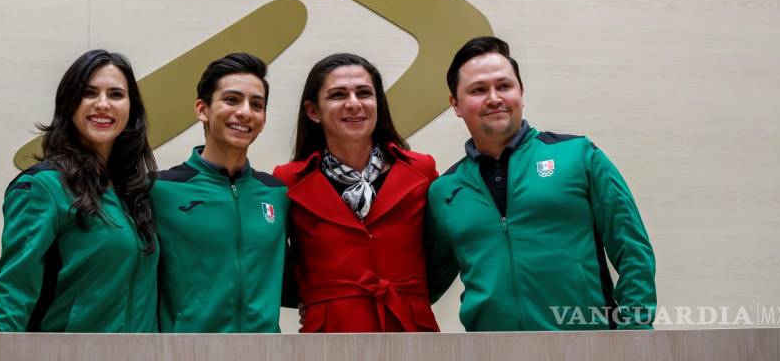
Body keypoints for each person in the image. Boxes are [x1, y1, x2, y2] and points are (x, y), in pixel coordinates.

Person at [427, 36, 656, 331]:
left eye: (504, 86)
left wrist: (635, 332)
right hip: (491, 351)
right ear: (456, 105)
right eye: (478, 90)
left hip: (586, 346)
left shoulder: (579, 155)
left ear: (521, 93)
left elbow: (633, 250)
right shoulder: (444, 191)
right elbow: (422, 285)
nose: (494, 97)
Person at [0, 50, 158, 332]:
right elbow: (12, 292)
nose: (103, 104)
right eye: (89, 93)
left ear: (131, 108)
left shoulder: (134, 193)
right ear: (69, 103)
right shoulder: (43, 187)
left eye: (115, 95)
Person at [274, 53, 440, 332]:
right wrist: (314, 297)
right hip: (329, 334)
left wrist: (417, 296)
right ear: (313, 111)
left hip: (411, 329)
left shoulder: (421, 170)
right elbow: (272, 259)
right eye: (338, 95)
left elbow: (443, 254)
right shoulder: (289, 179)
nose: (354, 103)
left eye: (364, 93)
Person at [152, 52, 288, 332]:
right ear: (202, 110)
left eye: (257, 104)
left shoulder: (277, 194)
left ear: (262, 120)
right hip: (185, 354)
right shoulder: (159, 190)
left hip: (265, 353)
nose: (245, 112)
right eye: (232, 100)